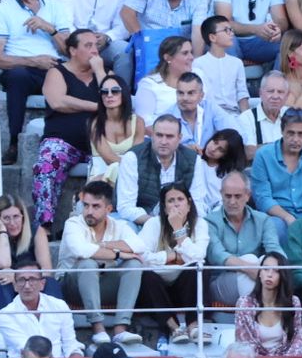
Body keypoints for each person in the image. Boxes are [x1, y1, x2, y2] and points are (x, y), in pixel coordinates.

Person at [59, 179, 145, 344]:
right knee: (87, 263)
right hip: (72, 286)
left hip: (104, 284)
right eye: (86, 205)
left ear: (109, 209)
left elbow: (139, 246)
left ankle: (120, 329)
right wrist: (118, 255)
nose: (89, 211)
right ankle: (98, 329)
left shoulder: (118, 225)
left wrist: (105, 245)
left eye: (96, 206)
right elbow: (81, 250)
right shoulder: (73, 223)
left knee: (134, 264)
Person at [32, 29, 101, 230]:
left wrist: (100, 73)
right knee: (46, 163)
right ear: (72, 50)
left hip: (99, 145)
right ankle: (44, 228)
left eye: (96, 45)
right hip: (63, 141)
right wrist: (96, 106)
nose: (94, 50)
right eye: (88, 46)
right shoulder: (58, 72)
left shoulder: (104, 75)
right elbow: (57, 101)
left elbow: (114, 101)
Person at [137, 181, 209, 343]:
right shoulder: (153, 224)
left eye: (180, 199)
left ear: (189, 204)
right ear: (164, 207)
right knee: (146, 276)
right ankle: (174, 328)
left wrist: (178, 229)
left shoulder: (200, 224)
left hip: (185, 289)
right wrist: (167, 257)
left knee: (199, 269)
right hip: (157, 290)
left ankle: (193, 326)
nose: (176, 204)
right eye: (171, 201)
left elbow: (199, 257)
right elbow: (140, 256)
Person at [207, 170, 281, 303]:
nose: (232, 201)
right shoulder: (209, 222)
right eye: (228, 196)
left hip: (257, 279)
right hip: (221, 282)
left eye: (237, 196)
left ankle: (259, 313)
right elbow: (218, 254)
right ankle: (263, 315)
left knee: (271, 260)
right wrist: (252, 269)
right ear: (221, 194)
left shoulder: (263, 220)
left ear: (248, 196)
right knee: (252, 259)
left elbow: (274, 249)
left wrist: (270, 270)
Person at [118, 115, 198, 230]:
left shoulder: (193, 159)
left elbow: (197, 202)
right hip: (139, 220)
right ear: (152, 135)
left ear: (179, 138)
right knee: (126, 229)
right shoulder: (133, 157)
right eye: (159, 135)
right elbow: (125, 207)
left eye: (169, 136)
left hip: (181, 220)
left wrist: (179, 223)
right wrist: (159, 223)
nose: (163, 141)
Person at [0, 258, 81, 358]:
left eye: (32, 279)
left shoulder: (59, 306)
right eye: (22, 280)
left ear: (42, 284)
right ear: (15, 285)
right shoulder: (6, 315)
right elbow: (26, 349)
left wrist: (75, 357)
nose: (27, 286)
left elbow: (70, 344)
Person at [250, 106, 302, 242]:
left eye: (301, 134)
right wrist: (287, 217)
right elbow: (262, 198)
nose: (296, 139)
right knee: (275, 227)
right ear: (282, 131)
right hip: (278, 215)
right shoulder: (264, 155)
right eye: (291, 133)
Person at [234, 251, 302, 354]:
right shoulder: (244, 304)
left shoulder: (293, 303)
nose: (269, 274)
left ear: (282, 276)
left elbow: (298, 341)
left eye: (276, 271)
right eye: (265, 269)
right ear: (260, 274)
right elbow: (244, 344)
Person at [88, 72, 144, 187]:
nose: (109, 95)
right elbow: (108, 158)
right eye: (104, 92)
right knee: (113, 169)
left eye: (115, 91)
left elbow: (136, 156)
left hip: (129, 176)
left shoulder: (138, 122)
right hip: (101, 176)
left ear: (123, 93)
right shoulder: (94, 123)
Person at [194, 14, 250, 121]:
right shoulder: (198, 64)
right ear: (212, 37)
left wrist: (248, 119)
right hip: (210, 116)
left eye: (231, 30)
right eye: (226, 30)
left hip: (235, 115)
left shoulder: (237, 63)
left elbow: (242, 94)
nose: (231, 33)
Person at [133, 34, 192, 126]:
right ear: (168, 57)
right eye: (185, 53)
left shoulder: (197, 78)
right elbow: (143, 123)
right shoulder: (149, 84)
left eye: (191, 52)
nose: (191, 57)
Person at [190, 126, 247, 216]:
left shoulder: (228, 174)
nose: (213, 149)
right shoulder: (195, 160)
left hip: (217, 214)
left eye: (220, 149)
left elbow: (223, 202)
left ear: (226, 155)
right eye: (215, 142)